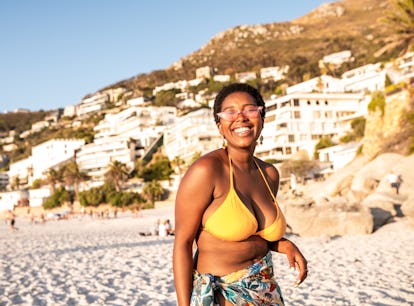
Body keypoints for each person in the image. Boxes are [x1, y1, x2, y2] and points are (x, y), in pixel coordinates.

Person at [173, 83, 308, 305]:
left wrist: (284, 244)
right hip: (224, 294)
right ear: (220, 126)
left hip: (266, 289)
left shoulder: (270, 174)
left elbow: (254, 234)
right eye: (230, 112)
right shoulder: (206, 171)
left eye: (250, 109)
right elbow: (183, 243)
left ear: (262, 118)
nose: (241, 117)